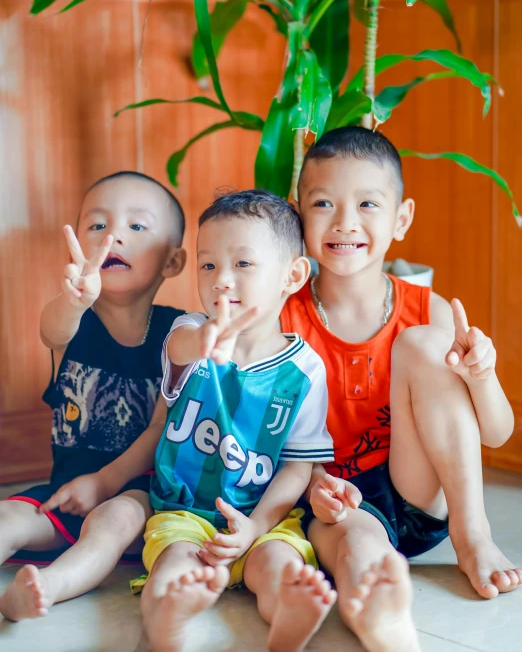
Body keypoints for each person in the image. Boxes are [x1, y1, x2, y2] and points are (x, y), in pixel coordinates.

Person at [280, 126, 519, 652]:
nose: (346, 222)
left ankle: (471, 534)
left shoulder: (427, 310)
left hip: (419, 495)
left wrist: (482, 377)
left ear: (401, 218)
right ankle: (380, 615)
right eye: (324, 203)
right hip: (335, 501)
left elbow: (499, 434)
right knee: (358, 546)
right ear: (298, 214)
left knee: (422, 344)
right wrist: (316, 483)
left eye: (368, 203)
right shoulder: (285, 315)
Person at [135, 190, 336, 652]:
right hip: (184, 514)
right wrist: (208, 338)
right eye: (208, 266)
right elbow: (182, 348)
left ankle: (289, 617)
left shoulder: (304, 371)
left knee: (280, 566)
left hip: (265, 520)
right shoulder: (187, 331)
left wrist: (258, 526)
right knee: (174, 567)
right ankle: (166, 620)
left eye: (243, 264)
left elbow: (296, 466)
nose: (222, 281)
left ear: (293, 275)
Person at [0, 171, 187, 622]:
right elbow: (52, 328)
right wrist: (75, 301)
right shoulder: (74, 320)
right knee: (8, 515)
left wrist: (105, 483)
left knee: (115, 519)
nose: (113, 235)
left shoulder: (180, 334)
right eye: (97, 225)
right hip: (64, 494)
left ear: (173, 261)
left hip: (138, 495)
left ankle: (46, 588)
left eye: (136, 227)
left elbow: (162, 428)